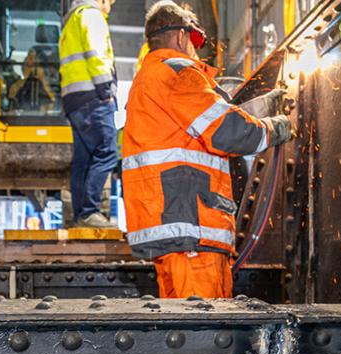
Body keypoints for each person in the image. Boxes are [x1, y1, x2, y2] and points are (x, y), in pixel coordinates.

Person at [122, 1, 293, 298]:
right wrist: (278, 127)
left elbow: (201, 125)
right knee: (206, 335)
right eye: (194, 42)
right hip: (192, 229)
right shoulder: (177, 73)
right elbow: (229, 133)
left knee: (180, 334)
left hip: (169, 231)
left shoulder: (146, 81)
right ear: (180, 37)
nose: (196, 50)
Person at [59, 0, 118, 228]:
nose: (109, 8)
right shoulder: (91, 16)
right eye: (109, 2)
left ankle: (79, 216)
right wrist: (106, 90)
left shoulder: (71, 22)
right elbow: (96, 54)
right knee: (107, 153)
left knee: (83, 160)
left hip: (74, 101)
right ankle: (90, 212)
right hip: (93, 97)